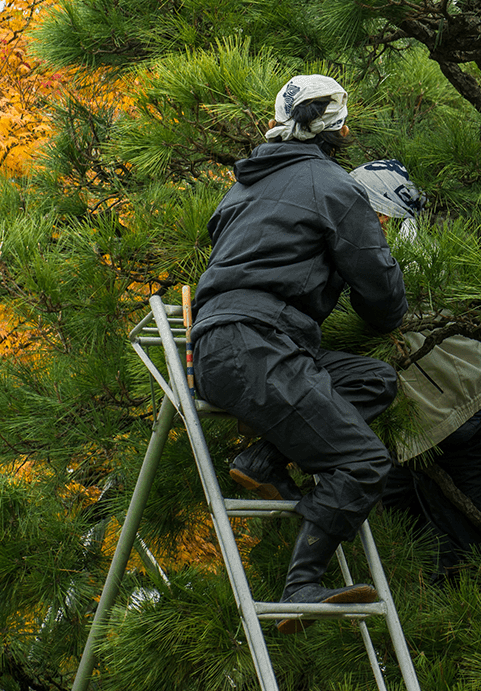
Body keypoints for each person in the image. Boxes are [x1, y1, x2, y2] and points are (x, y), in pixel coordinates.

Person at [190, 74, 408, 629]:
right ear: (339, 131)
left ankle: (262, 461)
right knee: (362, 463)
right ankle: (302, 584)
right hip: (259, 347)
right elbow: (381, 298)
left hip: (220, 346)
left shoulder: (242, 189)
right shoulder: (334, 187)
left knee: (372, 381)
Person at [346, 160, 481, 581]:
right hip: (413, 429)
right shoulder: (380, 254)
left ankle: (459, 616)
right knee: (400, 552)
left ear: (383, 216)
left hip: (465, 418)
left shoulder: (408, 261)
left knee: (459, 559)